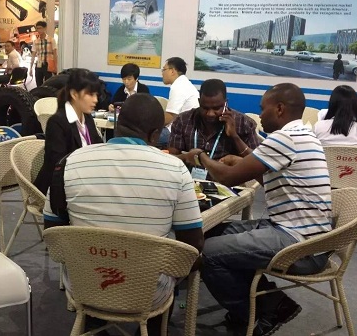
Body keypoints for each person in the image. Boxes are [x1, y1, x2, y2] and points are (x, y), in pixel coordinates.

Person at [43, 93, 204, 335]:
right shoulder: (175, 169)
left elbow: (53, 234)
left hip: (84, 285)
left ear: (117, 124)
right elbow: (192, 245)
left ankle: (94, 323)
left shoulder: (69, 163)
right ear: (154, 135)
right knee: (181, 258)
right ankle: (151, 329)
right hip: (149, 294)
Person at [185, 83, 332, 336]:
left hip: (299, 244)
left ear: (279, 109)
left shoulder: (285, 138)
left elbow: (228, 177)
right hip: (311, 237)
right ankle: (268, 302)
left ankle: (261, 310)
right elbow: (271, 179)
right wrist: (241, 157)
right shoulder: (303, 134)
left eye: (263, 109)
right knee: (210, 233)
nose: (260, 115)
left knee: (206, 252)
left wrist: (200, 157)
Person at [168, 79, 259, 176]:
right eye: (205, 108)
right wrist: (187, 157)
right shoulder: (183, 120)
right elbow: (171, 159)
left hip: (228, 180)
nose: (210, 114)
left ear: (225, 103)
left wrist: (234, 136)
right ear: (199, 102)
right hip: (189, 179)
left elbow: (256, 162)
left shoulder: (243, 123)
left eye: (216, 108)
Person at [33, 68, 103, 195]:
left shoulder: (87, 117)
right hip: (58, 188)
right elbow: (58, 163)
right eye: (90, 94)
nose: (95, 100)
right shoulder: (57, 122)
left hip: (83, 181)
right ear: (74, 94)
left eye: (96, 95)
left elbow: (97, 147)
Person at [160, 57, 199, 146]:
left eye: (164, 70)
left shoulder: (179, 87)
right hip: (187, 130)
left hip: (179, 133)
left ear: (172, 71)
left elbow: (170, 117)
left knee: (143, 135)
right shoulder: (184, 83)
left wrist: (150, 125)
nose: (162, 73)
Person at [30, 21, 58, 86]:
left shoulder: (51, 40)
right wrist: (30, 68)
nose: (38, 30)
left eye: (40, 28)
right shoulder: (36, 41)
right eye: (37, 28)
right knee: (38, 84)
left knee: (48, 84)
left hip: (48, 65)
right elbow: (33, 55)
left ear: (45, 28)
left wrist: (56, 66)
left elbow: (55, 54)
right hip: (39, 64)